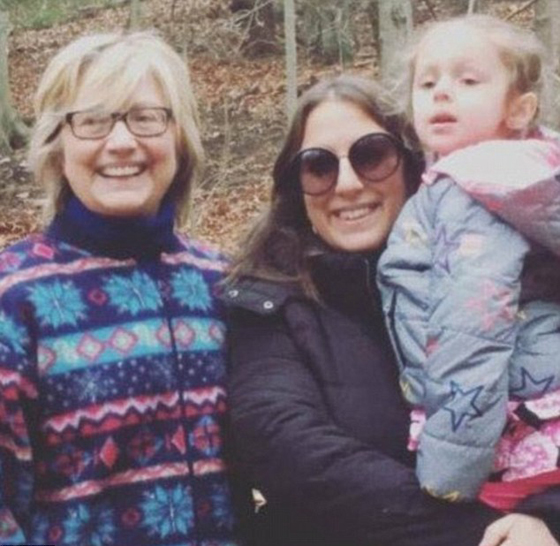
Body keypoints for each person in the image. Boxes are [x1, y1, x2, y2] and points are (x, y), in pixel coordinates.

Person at [220, 74, 560, 546]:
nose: (347, 184)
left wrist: (545, 517)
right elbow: (288, 447)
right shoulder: (266, 304)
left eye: (372, 155)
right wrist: (487, 534)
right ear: (296, 186)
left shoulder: (509, 273)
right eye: (318, 166)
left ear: (410, 162)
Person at [0, 31, 248, 545]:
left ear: (179, 137)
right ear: (57, 145)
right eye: (91, 121)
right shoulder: (14, 299)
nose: (121, 142)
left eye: (146, 117)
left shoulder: (222, 283)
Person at [377, 13, 560, 509]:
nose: (441, 92)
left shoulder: (478, 188)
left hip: (512, 429)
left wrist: (449, 466)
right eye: (427, 82)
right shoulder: (509, 179)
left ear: (519, 109)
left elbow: (473, 324)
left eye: (468, 80)